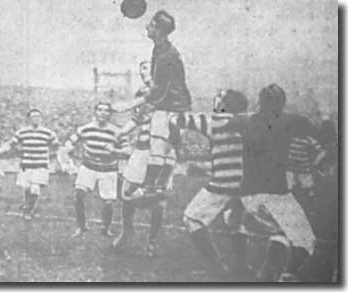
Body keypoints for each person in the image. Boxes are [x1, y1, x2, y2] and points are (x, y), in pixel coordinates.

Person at [225, 84, 316, 281]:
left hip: (248, 197)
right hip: (277, 196)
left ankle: (265, 273)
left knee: (280, 233)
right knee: (306, 241)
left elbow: (230, 124)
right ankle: (286, 275)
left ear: (260, 101)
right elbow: (315, 130)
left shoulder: (244, 121)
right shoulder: (291, 121)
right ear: (282, 103)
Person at [171, 89, 250, 276]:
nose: (214, 99)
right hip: (245, 185)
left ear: (223, 104)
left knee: (191, 219)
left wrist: (177, 143)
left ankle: (218, 264)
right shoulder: (250, 122)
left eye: (219, 97)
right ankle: (241, 266)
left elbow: (176, 120)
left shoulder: (214, 121)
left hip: (222, 185)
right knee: (233, 221)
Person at [114, 10, 191, 197]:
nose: (147, 27)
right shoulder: (159, 48)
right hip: (173, 105)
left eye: (151, 24)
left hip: (171, 107)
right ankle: (156, 184)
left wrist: (130, 106)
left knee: (158, 149)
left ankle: (151, 187)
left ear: (159, 29)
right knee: (164, 150)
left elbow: (159, 90)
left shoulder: (167, 55)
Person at [111, 61, 174, 257]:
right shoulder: (144, 96)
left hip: (162, 152)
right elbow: (136, 120)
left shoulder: (168, 93)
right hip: (141, 150)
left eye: (147, 67)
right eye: (141, 69)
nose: (143, 71)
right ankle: (127, 229)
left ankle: (152, 241)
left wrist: (125, 106)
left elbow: (147, 101)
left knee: (159, 199)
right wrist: (120, 133)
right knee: (126, 193)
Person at [60, 102, 130, 238]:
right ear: (95, 112)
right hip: (88, 167)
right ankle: (82, 226)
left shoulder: (117, 132)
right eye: (100, 110)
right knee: (79, 195)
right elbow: (70, 142)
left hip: (108, 169)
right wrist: (68, 150)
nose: (102, 113)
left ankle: (105, 228)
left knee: (108, 202)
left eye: (106, 111)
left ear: (110, 114)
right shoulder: (85, 129)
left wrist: (114, 150)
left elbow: (128, 151)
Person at [0, 109, 59, 220]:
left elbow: (56, 147)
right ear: (28, 119)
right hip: (26, 165)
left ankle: (28, 211)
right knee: (27, 188)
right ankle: (28, 204)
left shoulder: (48, 133)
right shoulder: (22, 132)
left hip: (40, 166)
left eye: (38, 116)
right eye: (33, 116)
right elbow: (10, 144)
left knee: (35, 188)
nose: (36, 118)